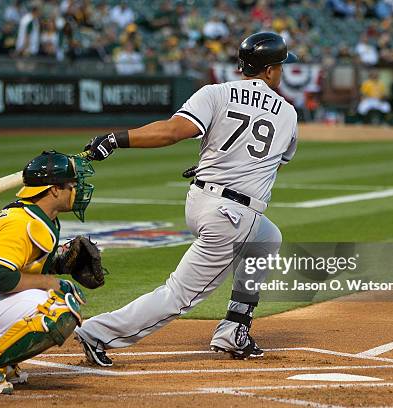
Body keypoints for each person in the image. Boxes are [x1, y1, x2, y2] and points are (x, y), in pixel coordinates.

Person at [75, 32, 298, 367]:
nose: (281, 72)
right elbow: (268, 160)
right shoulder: (288, 113)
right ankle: (97, 333)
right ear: (269, 71)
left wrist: (116, 139)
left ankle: (234, 329)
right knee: (179, 295)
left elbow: (171, 131)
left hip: (201, 200)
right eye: (280, 65)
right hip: (232, 215)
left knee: (268, 239)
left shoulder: (216, 92)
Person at [0, 151, 96, 394]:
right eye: (72, 185)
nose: (77, 190)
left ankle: (2, 358)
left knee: (56, 295)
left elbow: (20, 267)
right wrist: (49, 281)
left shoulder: (39, 216)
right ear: (54, 190)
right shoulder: (21, 222)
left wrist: (58, 265)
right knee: (60, 307)